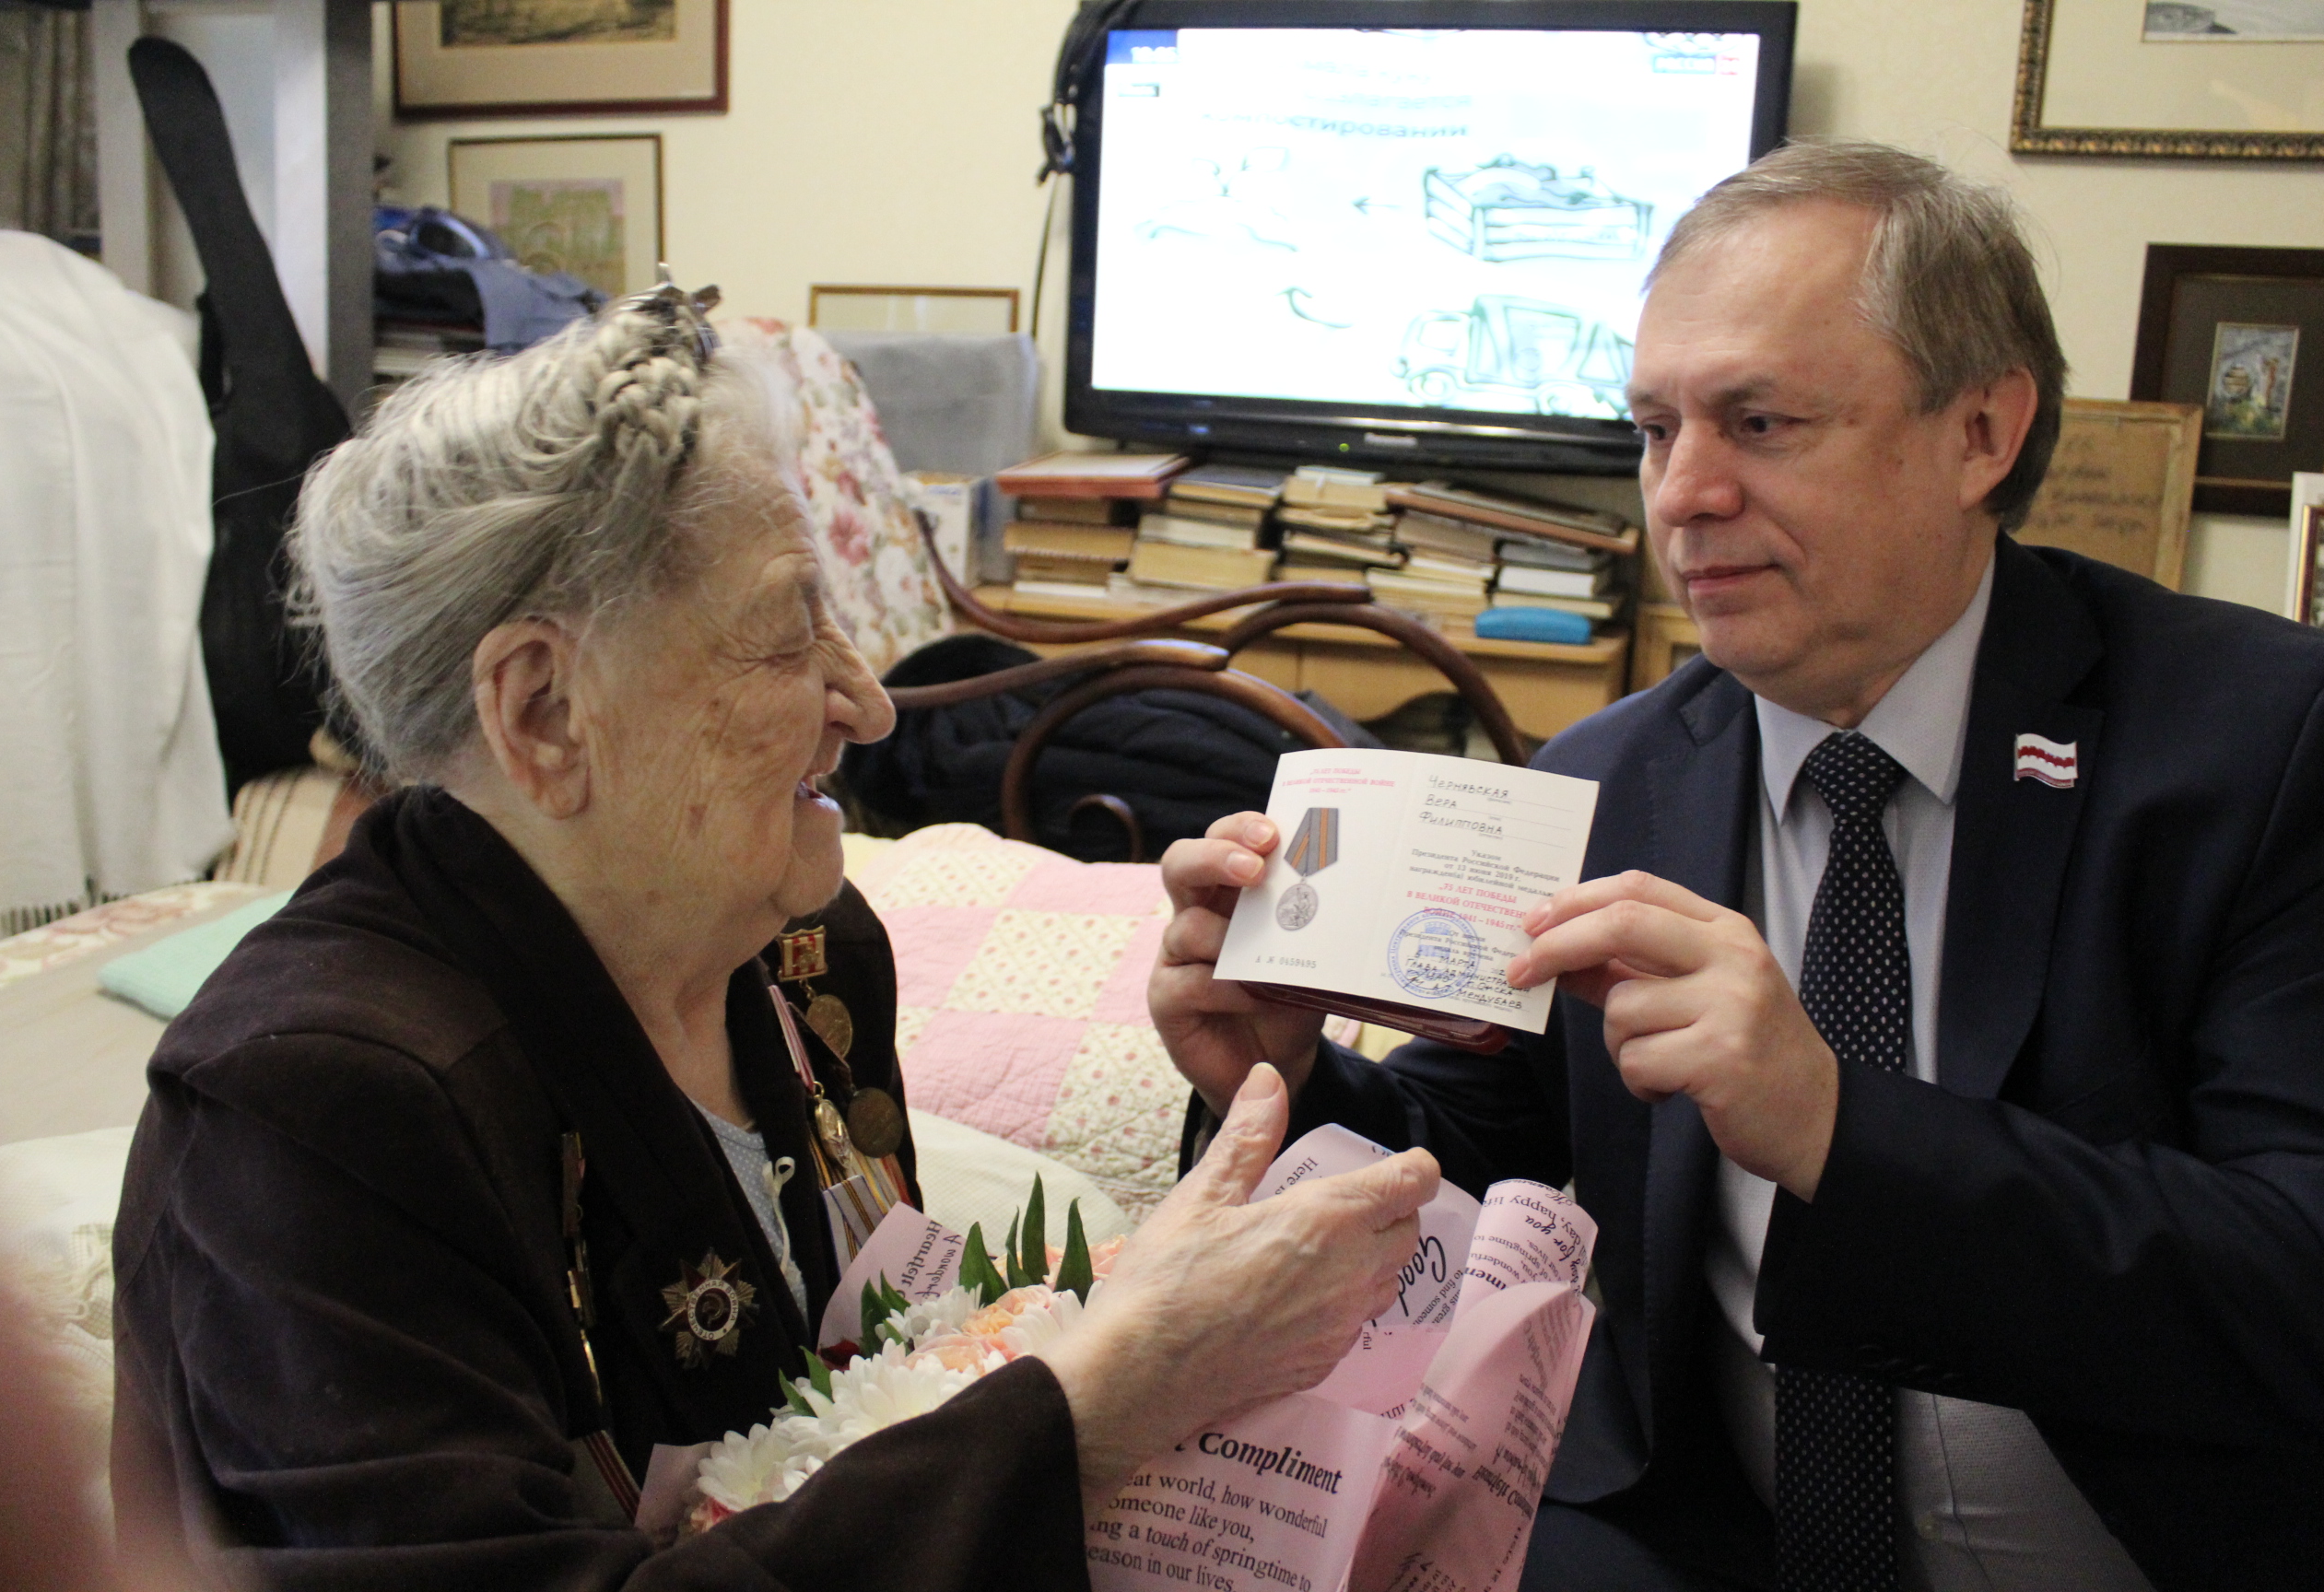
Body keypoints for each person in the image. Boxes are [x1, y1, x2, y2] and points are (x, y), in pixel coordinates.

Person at [1152, 143, 2324, 1592]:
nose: (1682, 493)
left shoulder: (2275, 747)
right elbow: (1467, 1174)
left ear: (1983, 432)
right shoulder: (1604, 782)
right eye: (1654, 428)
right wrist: (1280, 1079)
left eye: (1760, 422)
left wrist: (1837, 1125)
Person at [110, 285, 1440, 1591]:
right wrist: (1097, 1404)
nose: (868, 703)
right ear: (544, 713)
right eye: (788, 631)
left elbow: (868, 1406)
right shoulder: (309, 1115)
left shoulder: (811, 955)